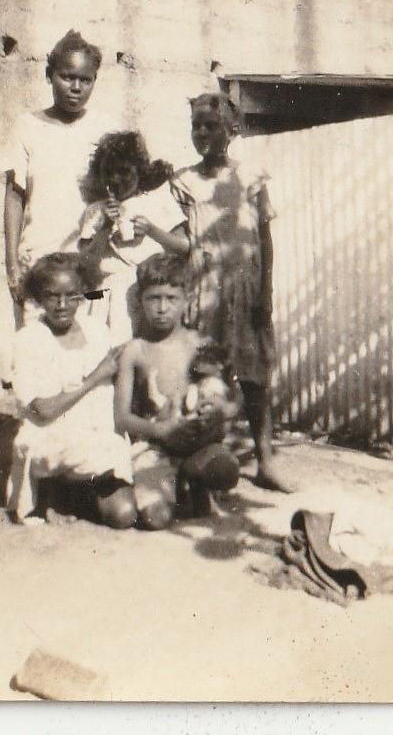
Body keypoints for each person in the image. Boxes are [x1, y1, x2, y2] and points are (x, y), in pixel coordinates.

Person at [170, 92, 293, 492]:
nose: (202, 133)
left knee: (255, 378)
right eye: (196, 126)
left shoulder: (251, 177)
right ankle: (209, 459)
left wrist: (266, 294)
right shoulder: (183, 182)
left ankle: (265, 460)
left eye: (212, 125)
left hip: (247, 293)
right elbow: (178, 238)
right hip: (203, 292)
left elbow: (264, 237)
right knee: (206, 375)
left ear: (233, 130)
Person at [5, 253, 138, 529]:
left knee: (125, 514)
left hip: (96, 436)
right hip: (50, 437)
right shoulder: (29, 339)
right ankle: (53, 488)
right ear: (39, 298)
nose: (62, 305)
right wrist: (93, 378)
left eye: (71, 295)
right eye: (52, 296)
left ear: (82, 296)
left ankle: (79, 492)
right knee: (78, 453)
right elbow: (43, 410)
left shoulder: (96, 330)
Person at [115, 253, 240, 531]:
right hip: (154, 446)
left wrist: (219, 410)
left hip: (197, 442)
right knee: (154, 519)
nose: (162, 308)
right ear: (140, 301)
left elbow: (233, 401)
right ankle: (177, 488)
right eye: (154, 298)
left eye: (171, 298)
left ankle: (195, 482)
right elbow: (122, 418)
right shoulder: (135, 351)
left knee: (225, 469)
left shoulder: (199, 344)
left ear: (187, 299)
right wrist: (164, 431)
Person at [3, 30, 117, 328]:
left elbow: (118, 194)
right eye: (67, 77)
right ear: (49, 75)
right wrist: (12, 265)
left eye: (86, 80)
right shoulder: (26, 127)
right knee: (35, 346)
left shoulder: (105, 129)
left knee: (86, 344)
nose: (76, 87)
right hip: (38, 260)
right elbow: (15, 197)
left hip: (88, 264)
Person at [78, 131, 188, 345]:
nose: (115, 179)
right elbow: (85, 263)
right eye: (108, 172)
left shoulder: (158, 201)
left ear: (140, 171)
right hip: (106, 295)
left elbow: (184, 247)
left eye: (124, 172)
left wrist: (152, 230)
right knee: (109, 351)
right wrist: (105, 227)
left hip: (149, 294)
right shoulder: (95, 211)